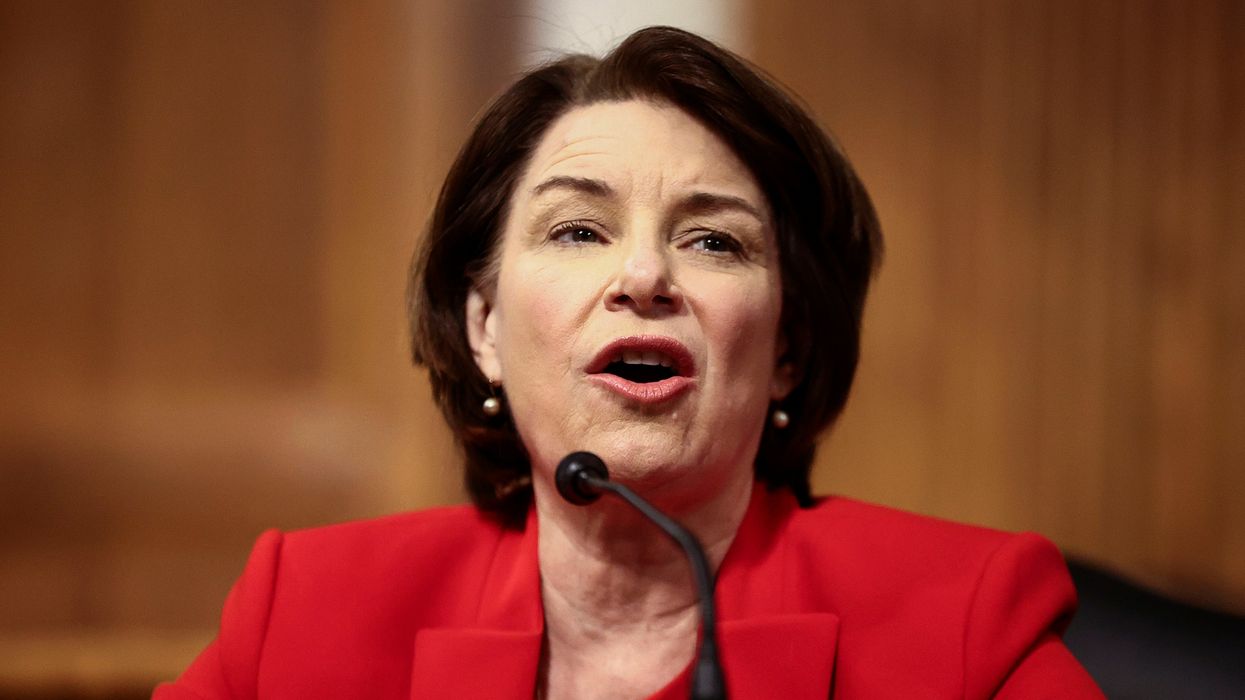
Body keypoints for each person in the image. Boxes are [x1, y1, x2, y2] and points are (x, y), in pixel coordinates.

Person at [155, 27, 1103, 699]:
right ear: (484, 327)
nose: (644, 274)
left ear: (787, 351)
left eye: (714, 244)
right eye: (578, 229)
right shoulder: (309, 612)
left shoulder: (962, 625)